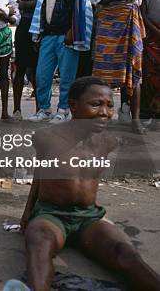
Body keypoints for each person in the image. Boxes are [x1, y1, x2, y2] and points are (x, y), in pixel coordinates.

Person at [21, 76, 160, 291]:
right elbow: (40, 171)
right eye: (96, 104)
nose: (104, 113)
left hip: (89, 217)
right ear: (73, 106)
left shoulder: (107, 142)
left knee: (126, 255)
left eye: (109, 106)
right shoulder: (47, 137)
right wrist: (28, 211)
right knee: (39, 246)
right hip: (51, 214)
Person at [91, 0, 147, 134]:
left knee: (133, 72)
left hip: (129, 21)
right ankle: (102, 119)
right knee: (103, 73)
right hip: (107, 24)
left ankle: (135, 120)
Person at [28, 0, 93, 123]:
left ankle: (63, 110)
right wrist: (38, 34)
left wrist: (74, 32)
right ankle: (44, 109)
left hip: (67, 36)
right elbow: (41, 10)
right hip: (48, 35)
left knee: (67, 76)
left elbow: (82, 8)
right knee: (42, 75)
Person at [7, 0, 49, 119]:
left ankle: (41, 108)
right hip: (24, 22)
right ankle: (17, 109)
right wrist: (28, 4)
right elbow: (9, 0)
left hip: (42, 25)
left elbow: (49, 3)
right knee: (21, 67)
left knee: (39, 70)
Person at [140, 0, 160, 129]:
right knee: (150, 77)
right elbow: (143, 13)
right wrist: (155, 30)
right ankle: (152, 115)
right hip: (153, 38)